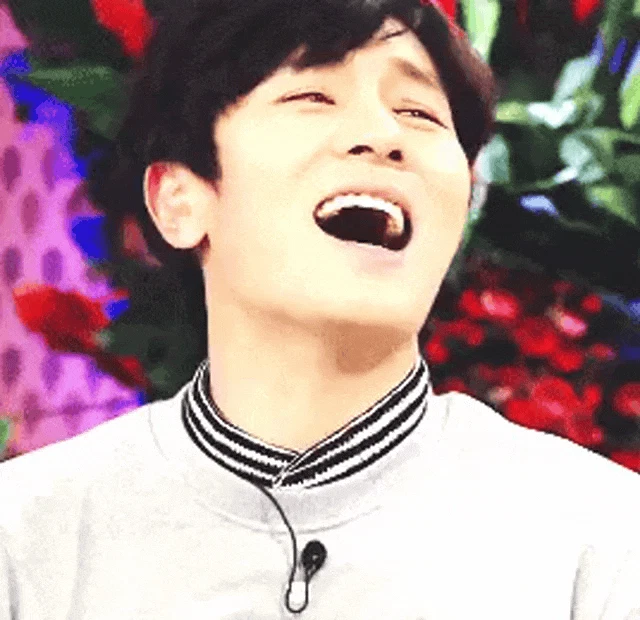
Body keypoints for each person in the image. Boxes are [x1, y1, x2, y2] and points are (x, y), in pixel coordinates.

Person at [2, 0, 639, 617]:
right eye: (313, 96)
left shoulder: (603, 541)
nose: (383, 136)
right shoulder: (29, 538)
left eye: (418, 112)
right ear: (180, 202)